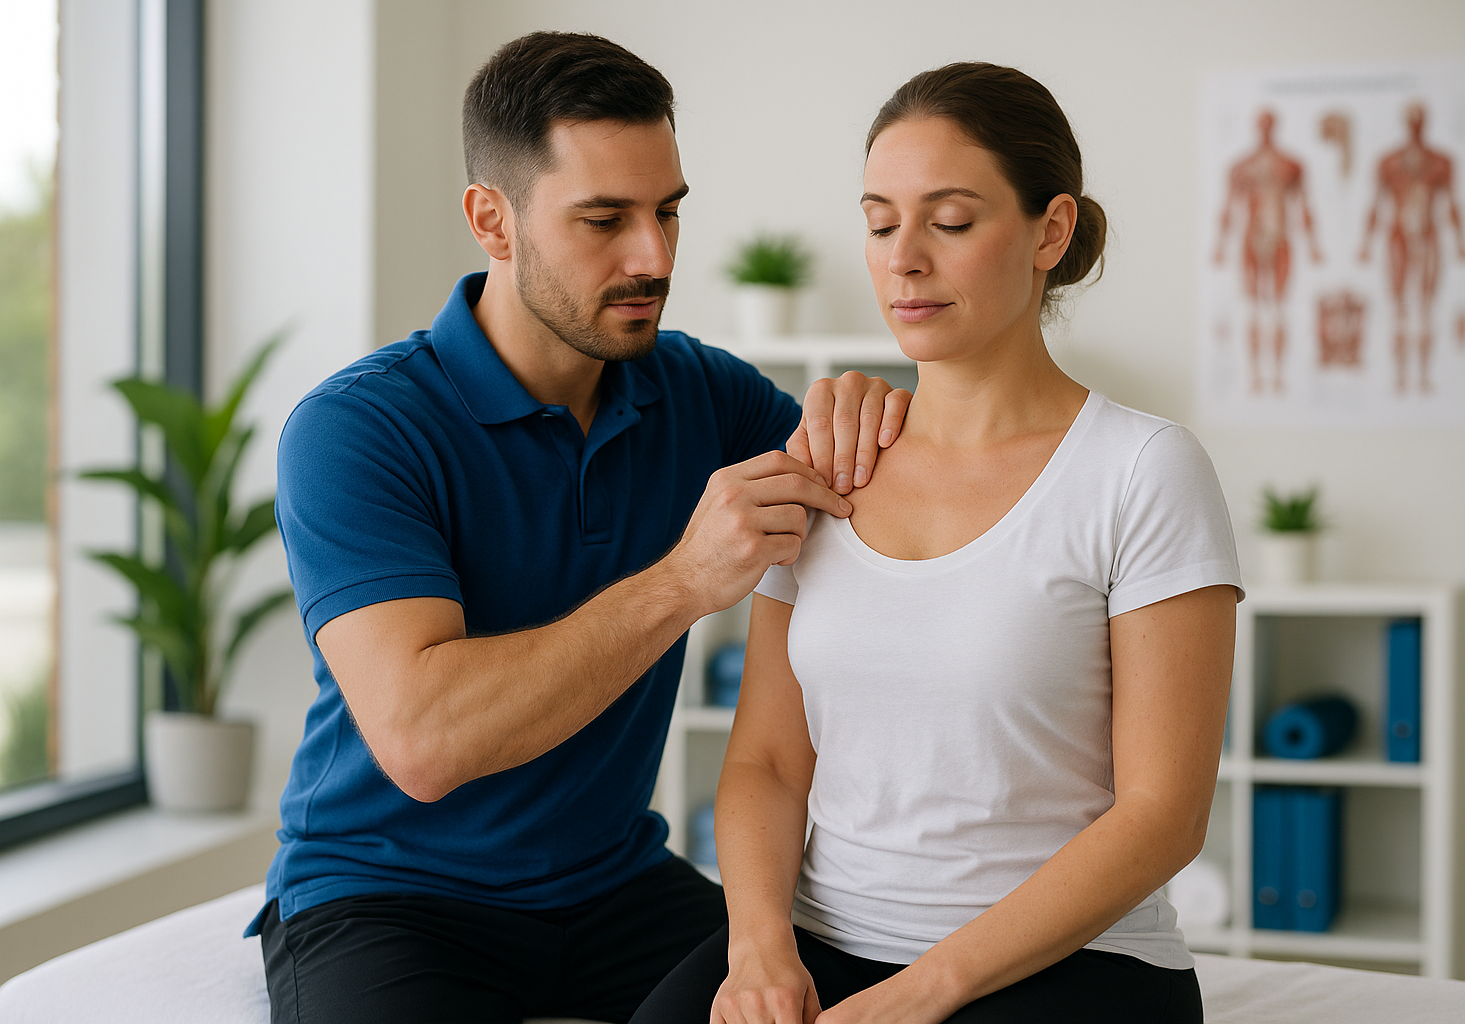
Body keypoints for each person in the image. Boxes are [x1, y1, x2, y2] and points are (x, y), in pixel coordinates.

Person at [250, 32, 911, 1024]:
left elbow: (889, 502)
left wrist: (878, 416)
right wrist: (685, 580)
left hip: (617, 886)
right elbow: (425, 741)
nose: (654, 257)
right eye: (605, 219)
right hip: (388, 897)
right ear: (493, 220)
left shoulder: (702, 393)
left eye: (667, 211)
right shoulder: (357, 430)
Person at [634, 63, 1243, 1024]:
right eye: (880, 225)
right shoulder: (826, 463)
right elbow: (768, 763)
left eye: (950, 222)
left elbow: (1163, 815)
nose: (904, 260)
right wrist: (758, 951)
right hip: (826, 938)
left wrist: (919, 996)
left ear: (1050, 231)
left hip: (1071, 963)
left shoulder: (1141, 470)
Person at [1358, 102, 1465, 394]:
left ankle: (1423, 377)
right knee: (1399, 308)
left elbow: (1452, 204)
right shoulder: (1389, 162)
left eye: (1420, 119)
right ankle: (1400, 377)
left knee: (1426, 307)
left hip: (1429, 235)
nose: (1416, 123)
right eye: (1412, 118)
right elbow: (1376, 204)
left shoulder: (1441, 162)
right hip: (1398, 238)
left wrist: (1461, 243)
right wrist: (1365, 243)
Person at [1212, 109, 1323, 394]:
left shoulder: (1290, 165)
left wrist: (1314, 246)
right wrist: (1220, 246)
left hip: (1280, 239)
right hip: (1252, 239)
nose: (1265, 128)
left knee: (1278, 307)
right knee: (1255, 307)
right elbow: (1229, 207)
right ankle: (1256, 376)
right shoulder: (1242, 167)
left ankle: (1277, 376)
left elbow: (1303, 206)